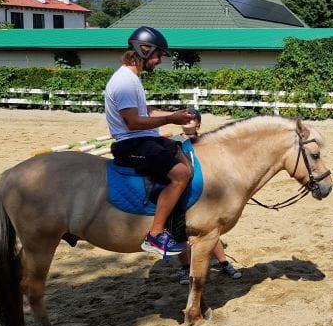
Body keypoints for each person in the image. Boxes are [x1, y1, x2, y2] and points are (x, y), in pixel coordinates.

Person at [104, 26, 197, 257]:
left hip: (144, 139)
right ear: (145, 51)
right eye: (158, 56)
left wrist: (177, 115)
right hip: (132, 144)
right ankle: (155, 235)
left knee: (186, 153)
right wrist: (170, 119)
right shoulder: (125, 82)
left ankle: (179, 222)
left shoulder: (132, 79)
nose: (159, 61)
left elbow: (147, 111)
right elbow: (134, 122)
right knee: (180, 174)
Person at [174, 109, 242, 283]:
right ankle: (184, 268)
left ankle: (223, 262)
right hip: (183, 188)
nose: (187, 121)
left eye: (191, 119)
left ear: (198, 124)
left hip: (204, 190)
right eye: (185, 119)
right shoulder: (174, 141)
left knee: (212, 231)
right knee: (178, 229)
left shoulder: (206, 142)